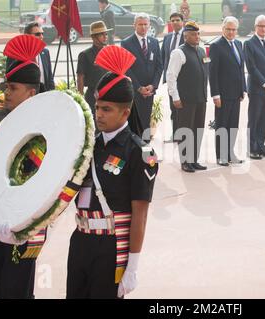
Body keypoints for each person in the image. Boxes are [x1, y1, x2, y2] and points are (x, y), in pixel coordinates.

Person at [66, 45, 158, 299]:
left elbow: (140, 214)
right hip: (80, 240)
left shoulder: (141, 153)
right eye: (97, 107)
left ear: (125, 112)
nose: (98, 114)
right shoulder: (88, 145)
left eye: (106, 109)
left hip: (111, 247)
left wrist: (133, 266)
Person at [0, 35, 46, 299]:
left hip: (25, 227)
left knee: (16, 291)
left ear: (31, 92)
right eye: (6, 88)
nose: (6, 94)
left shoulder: (42, 133)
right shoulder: (5, 125)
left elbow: (36, 181)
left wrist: (21, 223)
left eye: (12, 88)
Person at [166, 21, 208, 173]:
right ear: (186, 36)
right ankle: (185, 161)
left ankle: (194, 160)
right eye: (193, 34)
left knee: (198, 130)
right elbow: (171, 76)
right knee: (186, 131)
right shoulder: (179, 53)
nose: (197, 36)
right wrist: (175, 97)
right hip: (185, 100)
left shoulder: (201, 51)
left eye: (198, 33)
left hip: (200, 98)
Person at [209, 16, 246, 166]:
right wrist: (215, 94)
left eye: (233, 30)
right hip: (222, 95)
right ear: (223, 29)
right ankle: (221, 156)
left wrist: (243, 88)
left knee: (233, 125)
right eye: (228, 29)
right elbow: (213, 72)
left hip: (236, 94)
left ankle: (230, 153)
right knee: (222, 125)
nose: (231, 32)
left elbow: (240, 68)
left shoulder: (238, 43)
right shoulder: (217, 46)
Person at [121, 13, 163, 141]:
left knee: (145, 123)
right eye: (140, 24)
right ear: (134, 25)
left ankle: (145, 149)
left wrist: (153, 86)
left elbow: (159, 66)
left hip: (149, 92)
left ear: (149, 25)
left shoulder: (154, 42)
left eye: (146, 24)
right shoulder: (126, 43)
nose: (143, 27)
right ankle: (135, 149)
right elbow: (126, 69)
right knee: (134, 123)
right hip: (134, 92)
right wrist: (139, 88)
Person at [243, 15, 265, 160]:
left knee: (264, 118)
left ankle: (261, 145)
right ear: (255, 26)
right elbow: (251, 67)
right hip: (257, 88)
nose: (263, 29)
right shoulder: (249, 44)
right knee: (255, 118)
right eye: (261, 26)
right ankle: (252, 148)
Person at [77, 21, 110, 115]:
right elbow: (80, 77)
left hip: (109, 95)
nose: (105, 37)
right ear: (93, 37)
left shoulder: (109, 52)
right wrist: (80, 98)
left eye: (106, 34)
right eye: (101, 34)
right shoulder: (85, 55)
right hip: (93, 95)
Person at [161, 12, 185, 141]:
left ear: (182, 21)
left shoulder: (187, 37)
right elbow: (163, 58)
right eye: (172, 20)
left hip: (184, 79)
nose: (175, 23)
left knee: (183, 108)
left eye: (177, 20)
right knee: (173, 108)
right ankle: (175, 134)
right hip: (171, 80)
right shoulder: (167, 38)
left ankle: (183, 134)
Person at [23, 22, 54, 92]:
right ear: (27, 36)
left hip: (44, 94)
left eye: (42, 34)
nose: (41, 36)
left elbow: (50, 77)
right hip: (26, 95)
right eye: (37, 34)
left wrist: (52, 92)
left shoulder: (45, 52)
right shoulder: (19, 54)